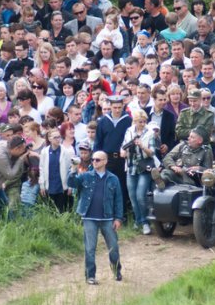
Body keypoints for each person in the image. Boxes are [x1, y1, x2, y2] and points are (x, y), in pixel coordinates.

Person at [68, 151, 123, 285]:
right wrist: (73, 168)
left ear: (105, 161)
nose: (94, 161)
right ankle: (90, 276)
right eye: (93, 159)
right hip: (89, 217)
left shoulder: (113, 179)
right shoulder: (85, 176)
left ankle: (116, 271)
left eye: (97, 160)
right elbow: (72, 183)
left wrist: (118, 218)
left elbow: (118, 200)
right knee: (90, 248)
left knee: (113, 247)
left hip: (108, 218)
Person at [121, 109, 157, 234]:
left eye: (144, 121)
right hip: (131, 167)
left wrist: (142, 146)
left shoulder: (150, 133)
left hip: (144, 167)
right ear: (135, 121)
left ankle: (145, 222)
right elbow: (123, 147)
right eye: (140, 121)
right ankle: (139, 220)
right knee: (133, 196)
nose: (142, 123)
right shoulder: (129, 131)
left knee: (141, 195)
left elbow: (152, 152)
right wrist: (124, 152)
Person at [39, 129, 74, 212]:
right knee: (50, 210)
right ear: (50, 139)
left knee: (62, 210)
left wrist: (70, 186)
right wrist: (42, 185)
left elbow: (70, 169)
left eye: (59, 137)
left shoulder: (66, 151)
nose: (58, 139)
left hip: (61, 186)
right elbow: (42, 169)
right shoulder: (44, 151)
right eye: (55, 137)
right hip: (49, 185)